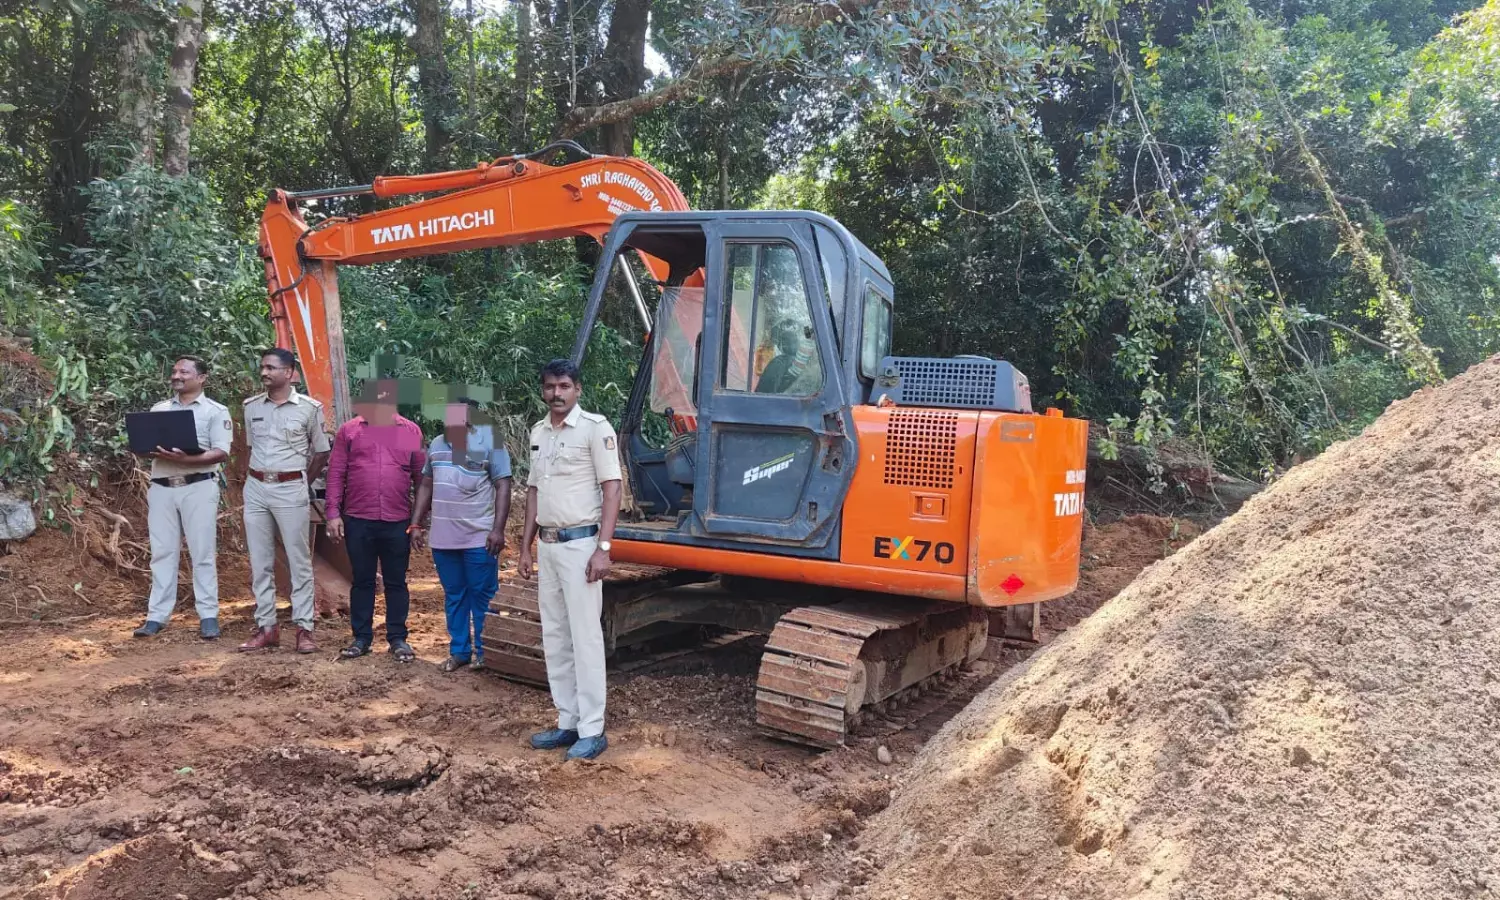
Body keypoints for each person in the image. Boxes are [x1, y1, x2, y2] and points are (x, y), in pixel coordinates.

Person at [519, 359, 622, 761]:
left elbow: (612, 489)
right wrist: (525, 547)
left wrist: (603, 548)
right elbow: (533, 492)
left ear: (577, 389)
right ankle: (568, 721)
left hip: (582, 546)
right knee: (556, 636)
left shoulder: (595, 429)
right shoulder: (538, 432)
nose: (556, 393)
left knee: (585, 637)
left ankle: (592, 729)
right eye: (550, 386)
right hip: (548, 546)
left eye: (564, 386)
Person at [131, 355, 233, 640]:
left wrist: (186, 459)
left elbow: (221, 452)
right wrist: (144, 447)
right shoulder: (159, 409)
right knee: (162, 552)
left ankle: (208, 615)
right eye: (174, 371)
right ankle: (156, 616)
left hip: (198, 487)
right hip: (162, 487)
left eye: (184, 372)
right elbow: (145, 447)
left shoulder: (215, 411)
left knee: (202, 552)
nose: (176, 376)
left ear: (201, 378)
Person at [324, 377, 425, 663]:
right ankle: (361, 638)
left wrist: (418, 521)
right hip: (358, 518)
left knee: (396, 581)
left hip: (398, 520)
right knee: (362, 580)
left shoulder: (410, 431)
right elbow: (336, 474)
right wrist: (333, 514)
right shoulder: (350, 431)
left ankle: (398, 638)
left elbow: (422, 480)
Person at [238, 348, 331, 654]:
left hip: (291, 488)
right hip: (256, 488)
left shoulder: (309, 409)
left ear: (289, 373)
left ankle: (304, 628)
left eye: (271, 367)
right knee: (260, 561)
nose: (264, 372)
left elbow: (322, 451)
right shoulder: (251, 407)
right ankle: (267, 627)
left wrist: (302, 481)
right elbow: (250, 448)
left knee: (298, 560)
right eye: (262, 367)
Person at [410, 399, 512, 673]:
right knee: (454, 595)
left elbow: (503, 485)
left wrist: (498, 530)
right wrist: (416, 523)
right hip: (444, 539)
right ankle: (459, 652)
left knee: (483, 595)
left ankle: (486, 653)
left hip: (479, 537)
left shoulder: (491, 443)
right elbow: (426, 484)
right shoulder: (437, 444)